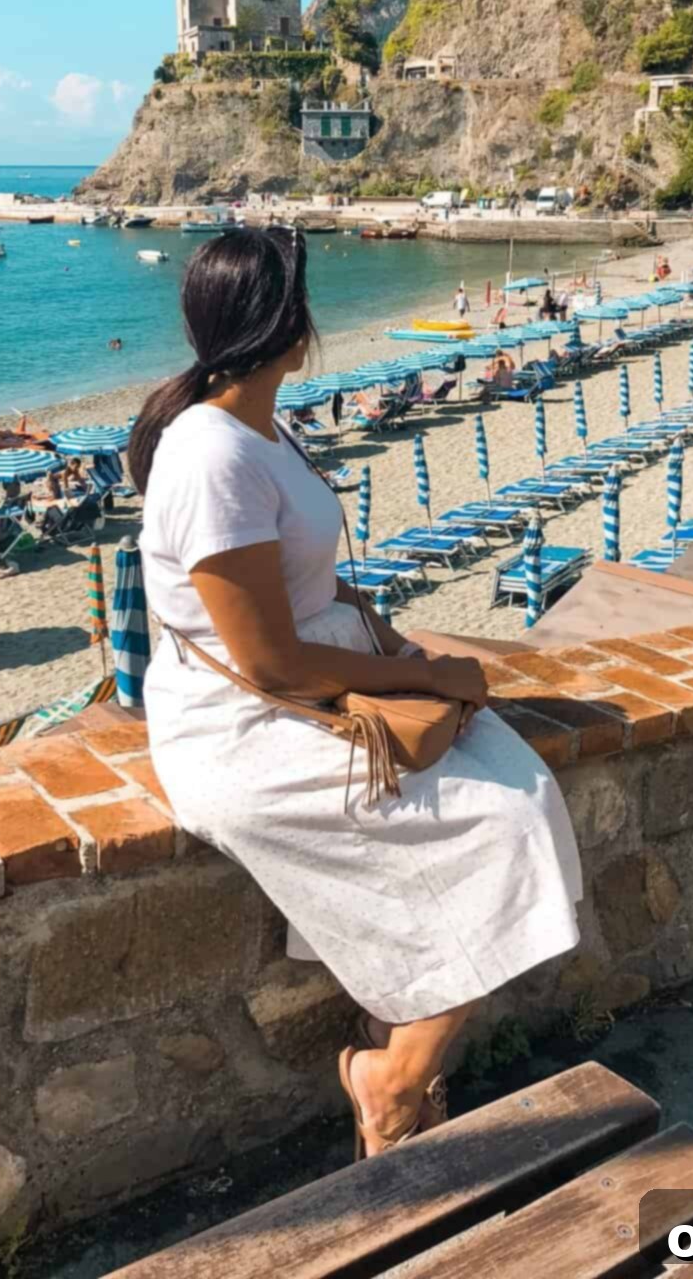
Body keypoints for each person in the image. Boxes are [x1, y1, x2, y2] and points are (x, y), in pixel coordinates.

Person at [131, 230, 581, 1157]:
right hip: (249, 722)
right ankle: (394, 1080)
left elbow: (301, 585)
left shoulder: (262, 427)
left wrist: (382, 627)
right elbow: (272, 667)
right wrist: (427, 672)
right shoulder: (211, 455)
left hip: (321, 675)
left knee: (515, 795)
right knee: (512, 819)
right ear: (290, 327)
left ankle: (397, 1043)